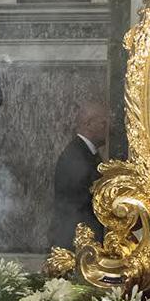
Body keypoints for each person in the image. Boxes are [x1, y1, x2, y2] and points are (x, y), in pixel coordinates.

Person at [48, 98, 108, 249]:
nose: (107, 128)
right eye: (103, 123)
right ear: (88, 124)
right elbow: (79, 203)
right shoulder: (76, 156)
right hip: (75, 241)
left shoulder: (85, 152)